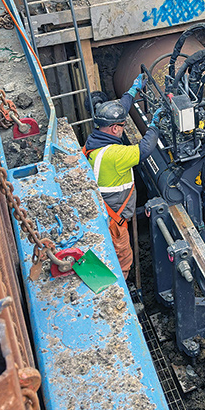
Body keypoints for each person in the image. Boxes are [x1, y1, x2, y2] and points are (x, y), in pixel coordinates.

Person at [82, 73, 161, 275]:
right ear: (115, 128)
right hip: (113, 221)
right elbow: (144, 149)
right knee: (123, 259)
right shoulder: (115, 154)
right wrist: (155, 125)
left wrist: (132, 91)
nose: (124, 127)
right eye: (123, 126)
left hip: (104, 209)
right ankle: (118, 293)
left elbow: (121, 110)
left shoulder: (95, 140)